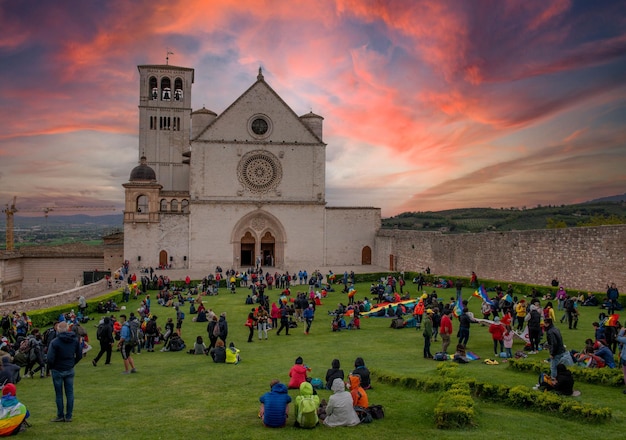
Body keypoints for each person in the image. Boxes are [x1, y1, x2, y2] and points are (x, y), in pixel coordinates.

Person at [47, 321, 82, 422]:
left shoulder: (55, 342)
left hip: (58, 369)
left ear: (58, 329)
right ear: (68, 329)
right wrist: (72, 363)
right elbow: (79, 355)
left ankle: (60, 415)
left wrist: (52, 366)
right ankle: (69, 416)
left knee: (59, 394)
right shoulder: (75, 340)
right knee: (70, 393)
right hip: (69, 368)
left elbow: (50, 358)